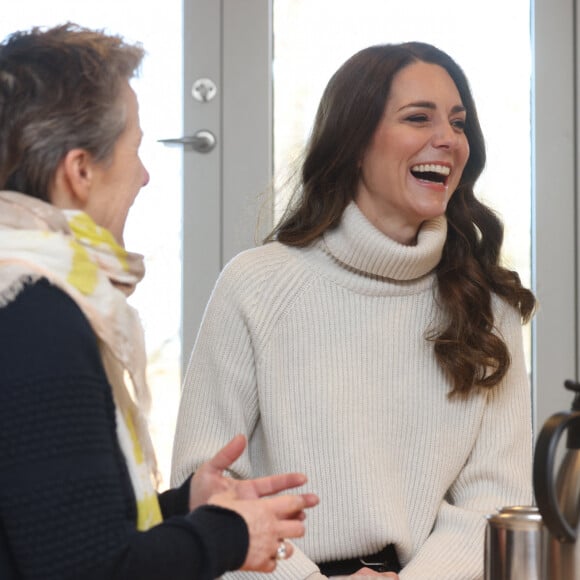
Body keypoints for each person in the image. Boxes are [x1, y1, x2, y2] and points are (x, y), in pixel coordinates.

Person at [171, 41, 537, 580]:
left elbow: (495, 500)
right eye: (419, 118)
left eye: (458, 124)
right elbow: (207, 487)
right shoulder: (255, 286)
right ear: (355, 143)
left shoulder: (489, 305)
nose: (448, 141)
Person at [0, 23, 319, 580]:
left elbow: (49, 529)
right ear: (79, 171)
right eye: (135, 149)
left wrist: (187, 506)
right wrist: (232, 533)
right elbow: (91, 571)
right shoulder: (37, 315)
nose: (146, 176)